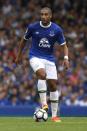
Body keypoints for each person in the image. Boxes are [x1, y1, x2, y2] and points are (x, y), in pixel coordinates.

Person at [15, 7, 69, 122]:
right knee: (42, 74)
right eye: (42, 14)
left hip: (49, 59)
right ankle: (44, 104)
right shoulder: (32, 27)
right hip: (35, 56)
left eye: (46, 14)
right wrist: (19, 55)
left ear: (50, 16)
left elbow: (64, 45)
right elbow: (23, 40)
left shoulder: (57, 29)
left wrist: (66, 58)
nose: (43, 16)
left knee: (53, 86)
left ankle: (54, 116)